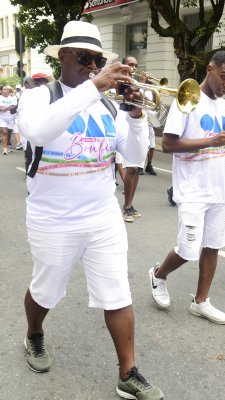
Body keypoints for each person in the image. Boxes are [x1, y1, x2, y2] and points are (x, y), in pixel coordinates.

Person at [17, 21, 163, 400]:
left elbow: (131, 157)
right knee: (46, 291)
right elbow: (38, 132)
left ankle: (128, 373)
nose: (91, 65)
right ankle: (35, 333)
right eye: (84, 58)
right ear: (63, 57)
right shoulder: (39, 96)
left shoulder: (106, 105)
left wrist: (134, 116)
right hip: (53, 216)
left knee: (117, 291)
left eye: (97, 60)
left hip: (102, 214)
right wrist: (93, 87)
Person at [149, 50, 225, 325]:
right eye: (224, 77)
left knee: (213, 245)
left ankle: (201, 301)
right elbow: (168, 144)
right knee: (188, 249)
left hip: (218, 188)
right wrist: (212, 141)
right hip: (192, 189)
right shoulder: (186, 99)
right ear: (210, 69)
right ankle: (157, 275)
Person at [120, 55, 147, 222]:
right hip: (124, 127)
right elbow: (124, 104)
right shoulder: (119, 83)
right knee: (130, 168)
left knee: (136, 168)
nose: (134, 68)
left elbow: (146, 104)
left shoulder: (137, 84)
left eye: (135, 65)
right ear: (123, 66)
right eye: (130, 65)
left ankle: (130, 204)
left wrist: (144, 86)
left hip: (139, 127)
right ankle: (126, 207)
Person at [0, 85, 18, 155]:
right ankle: (5, 149)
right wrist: (2, 108)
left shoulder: (12, 98)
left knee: (9, 133)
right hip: (1, 117)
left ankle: (7, 145)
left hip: (10, 118)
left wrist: (6, 108)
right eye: (4, 90)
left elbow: (14, 105)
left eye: (7, 90)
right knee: (4, 132)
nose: (6, 91)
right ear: (1, 91)